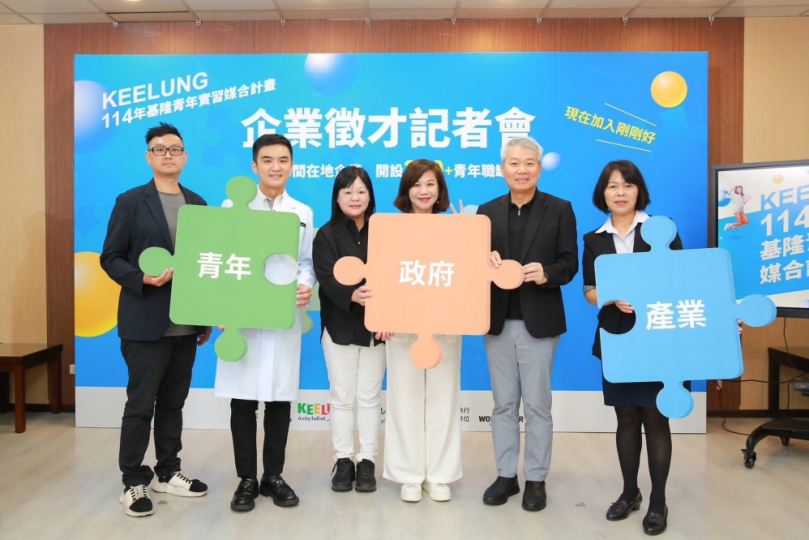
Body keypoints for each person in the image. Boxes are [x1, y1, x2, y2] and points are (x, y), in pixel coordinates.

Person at [101, 122, 211, 518]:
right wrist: (143, 279)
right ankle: (132, 481)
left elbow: (206, 264)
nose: (168, 154)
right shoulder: (130, 201)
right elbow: (110, 257)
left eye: (175, 149)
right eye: (159, 149)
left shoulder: (198, 204)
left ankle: (167, 471)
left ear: (185, 156)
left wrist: (205, 317)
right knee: (139, 405)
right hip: (144, 320)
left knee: (173, 403)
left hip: (186, 323)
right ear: (148, 157)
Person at [582, 159, 687, 535]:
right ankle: (630, 492)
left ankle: (658, 501)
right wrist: (611, 296)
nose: (620, 192)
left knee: (656, 418)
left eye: (627, 185)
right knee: (626, 418)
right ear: (603, 194)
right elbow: (589, 291)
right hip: (617, 334)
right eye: (612, 186)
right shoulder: (594, 238)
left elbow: (682, 279)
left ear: (638, 190)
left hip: (659, 333)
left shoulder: (661, 228)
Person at [213, 134, 316, 512]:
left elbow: (306, 262)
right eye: (268, 160)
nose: (276, 167)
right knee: (242, 400)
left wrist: (305, 285)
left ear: (292, 165)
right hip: (242, 317)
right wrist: (220, 308)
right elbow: (219, 259)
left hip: (282, 315)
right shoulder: (231, 207)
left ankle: (273, 475)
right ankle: (246, 479)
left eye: (283, 160)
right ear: (254, 166)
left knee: (279, 398)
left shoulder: (302, 212)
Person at [477, 136, 578, 512]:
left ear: (539, 167)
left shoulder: (560, 209)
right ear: (502, 168)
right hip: (498, 321)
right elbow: (472, 265)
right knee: (503, 404)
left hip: (539, 321)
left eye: (529, 163)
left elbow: (570, 263)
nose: (521, 170)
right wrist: (482, 261)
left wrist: (546, 273)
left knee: (537, 405)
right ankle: (506, 475)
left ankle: (536, 478)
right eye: (514, 163)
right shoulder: (486, 212)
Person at [383, 159, 463, 503]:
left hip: (445, 325)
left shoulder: (456, 228)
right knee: (404, 399)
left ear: (440, 190)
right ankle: (409, 475)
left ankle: (440, 475)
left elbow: (467, 277)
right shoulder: (390, 228)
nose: (424, 191)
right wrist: (383, 314)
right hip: (402, 328)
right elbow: (382, 276)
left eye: (430, 184)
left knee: (444, 399)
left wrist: (470, 240)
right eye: (416, 184)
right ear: (406, 190)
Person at [313, 166, 389, 493]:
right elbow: (325, 277)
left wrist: (389, 315)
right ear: (337, 197)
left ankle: (367, 460)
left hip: (378, 328)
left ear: (370, 195)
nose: (355, 197)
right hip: (339, 326)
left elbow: (396, 276)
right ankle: (343, 460)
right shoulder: (326, 234)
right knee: (342, 398)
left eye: (361, 191)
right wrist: (352, 295)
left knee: (370, 397)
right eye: (348, 192)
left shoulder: (386, 232)